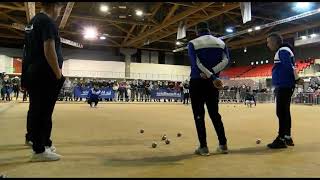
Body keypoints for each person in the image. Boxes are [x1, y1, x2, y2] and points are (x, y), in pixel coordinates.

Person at [22, 2, 65, 162]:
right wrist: (58, 73)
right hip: (45, 74)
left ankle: (40, 142)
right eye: (60, 9)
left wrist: (24, 77)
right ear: (55, 6)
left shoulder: (32, 23)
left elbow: (26, 51)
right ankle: (40, 150)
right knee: (44, 113)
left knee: (36, 110)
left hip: (33, 73)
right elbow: (49, 48)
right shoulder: (47, 22)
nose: (59, 12)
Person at [188, 21, 230, 156]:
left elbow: (196, 63)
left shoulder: (193, 43)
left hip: (197, 81)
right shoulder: (221, 43)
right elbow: (226, 61)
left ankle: (203, 147)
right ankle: (223, 144)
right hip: (213, 83)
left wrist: (209, 74)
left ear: (197, 31)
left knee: (199, 115)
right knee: (215, 114)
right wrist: (213, 75)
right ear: (208, 30)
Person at [266, 33, 304, 149]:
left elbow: (289, 66)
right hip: (285, 85)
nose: (267, 45)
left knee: (281, 112)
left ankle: (281, 139)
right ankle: (286, 136)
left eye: (268, 42)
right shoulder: (284, 50)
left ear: (274, 41)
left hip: (284, 85)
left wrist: (297, 78)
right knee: (284, 112)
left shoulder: (282, 50)